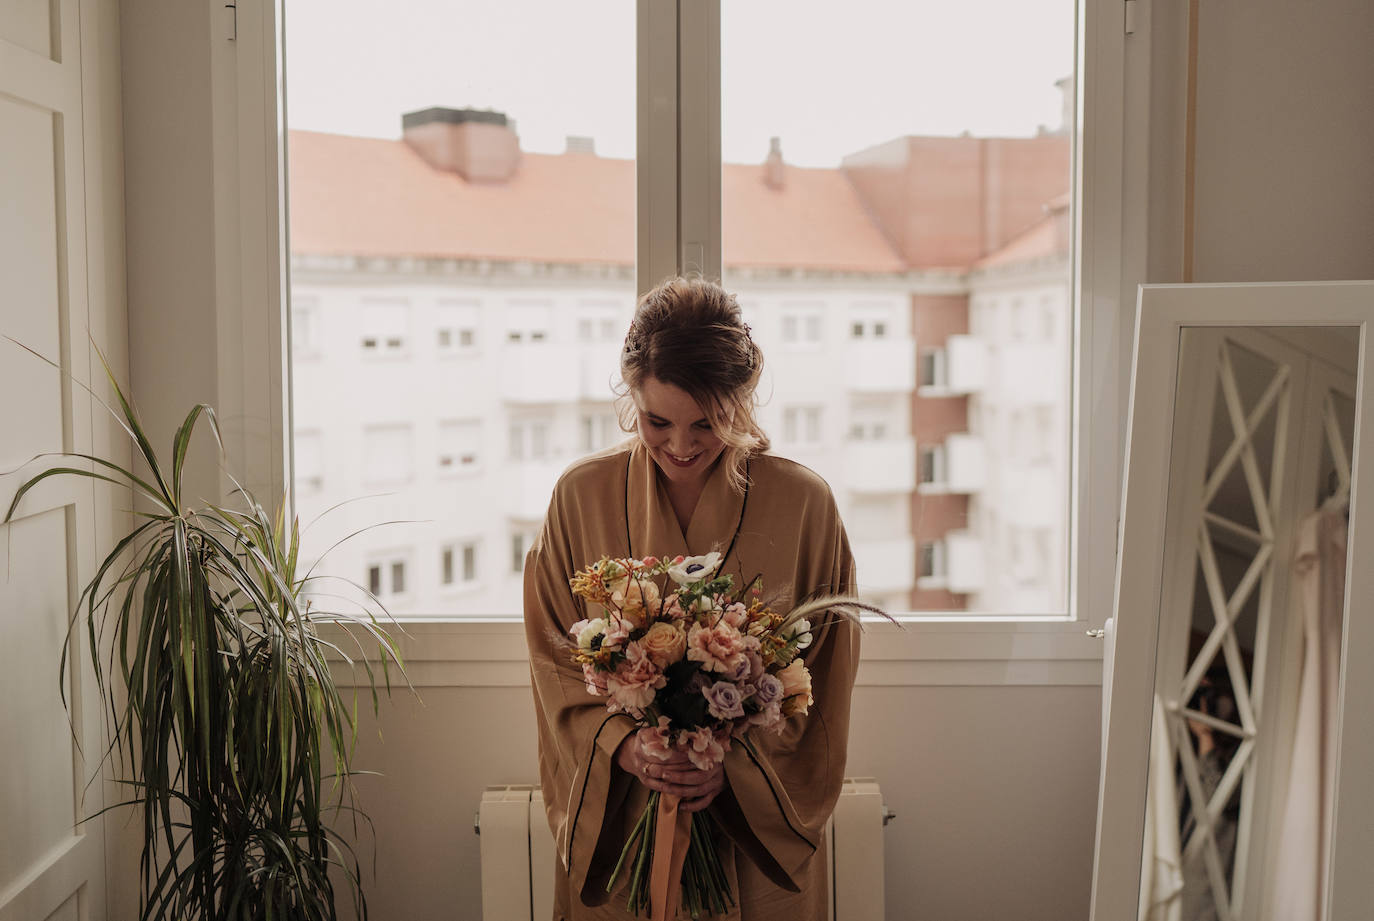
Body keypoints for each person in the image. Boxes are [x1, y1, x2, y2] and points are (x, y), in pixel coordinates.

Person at [523, 277, 861, 920]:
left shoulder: (804, 504)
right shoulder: (580, 496)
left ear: (743, 400)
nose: (680, 446)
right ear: (631, 398)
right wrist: (624, 745)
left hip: (748, 831)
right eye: (658, 421)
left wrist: (730, 762)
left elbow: (826, 675)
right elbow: (551, 654)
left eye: (708, 422)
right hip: (627, 815)